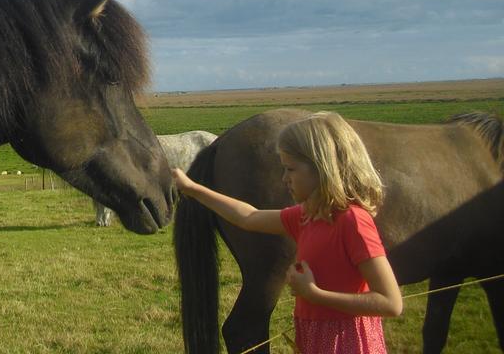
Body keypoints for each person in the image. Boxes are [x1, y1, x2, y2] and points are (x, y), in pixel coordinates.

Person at [173, 112, 403, 354]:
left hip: (349, 344)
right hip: (315, 341)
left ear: (321, 168)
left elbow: (390, 302)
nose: (284, 179)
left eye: (290, 169)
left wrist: (315, 294)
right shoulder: (306, 217)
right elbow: (248, 217)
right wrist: (193, 189)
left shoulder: (353, 222)